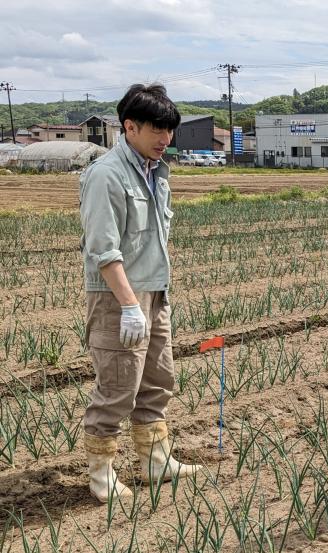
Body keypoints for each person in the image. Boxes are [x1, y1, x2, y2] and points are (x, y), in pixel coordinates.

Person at [79, 83, 203, 503]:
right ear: (128, 127)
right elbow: (103, 249)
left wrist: (150, 300)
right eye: (156, 129)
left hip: (154, 293)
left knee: (157, 379)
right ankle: (101, 472)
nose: (165, 139)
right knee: (118, 385)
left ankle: (155, 459)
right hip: (119, 299)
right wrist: (130, 305)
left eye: (169, 130)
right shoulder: (106, 175)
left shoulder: (156, 173)